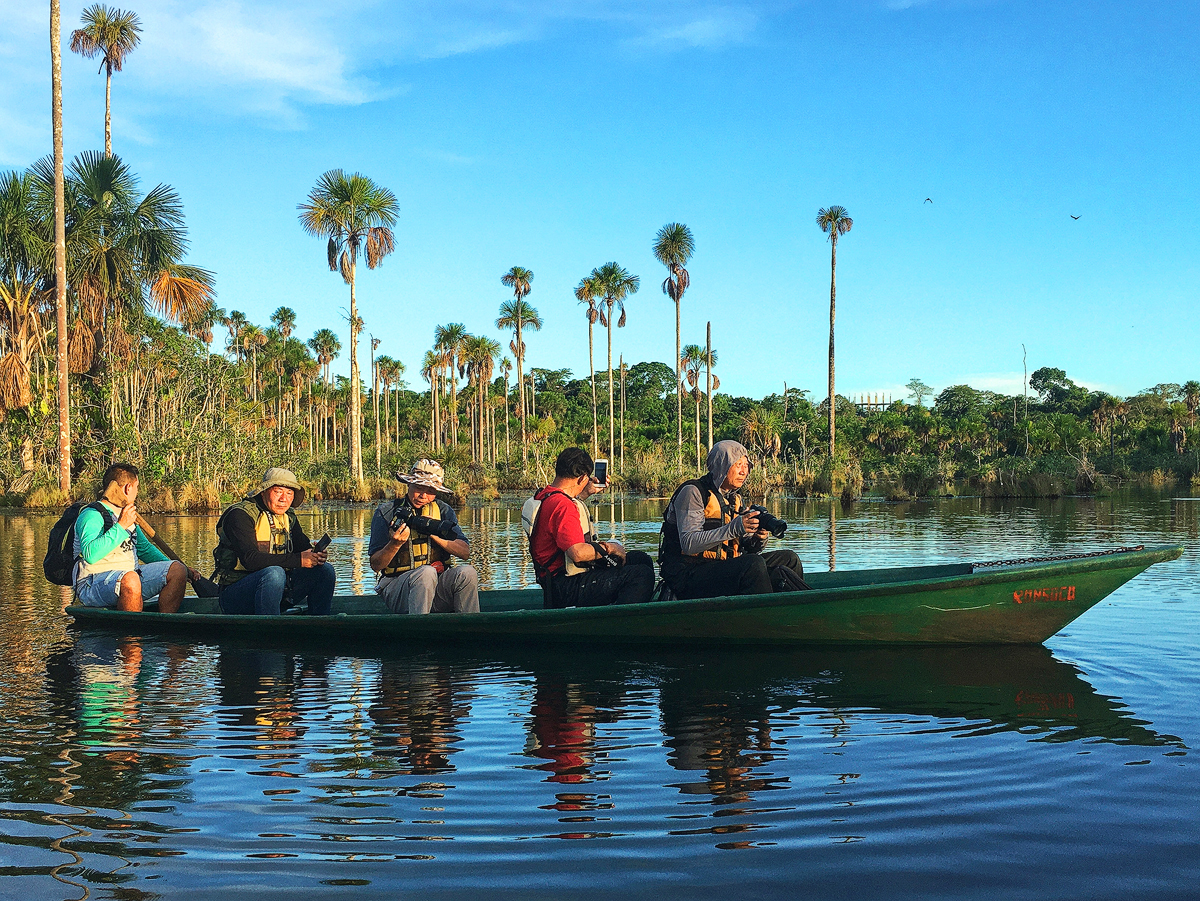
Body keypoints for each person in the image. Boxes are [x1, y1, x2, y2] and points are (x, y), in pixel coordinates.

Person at [659, 439, 804, 600]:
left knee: (789, 559)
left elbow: (745, 548)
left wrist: (758, 539)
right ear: (722, 466)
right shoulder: (693, 492)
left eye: (746, 465)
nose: (744, 471)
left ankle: (795, 612)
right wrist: (733, 529)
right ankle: (763, 620)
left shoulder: (735, 499)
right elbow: (689, 543)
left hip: (721, 568)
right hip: (688, 574)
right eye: (738, 464)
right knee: (753, 565)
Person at [527, 447, 655, 609]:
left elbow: (561, 511)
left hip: (552, 582)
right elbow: (578, 553)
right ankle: (620, 625)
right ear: (582, 478)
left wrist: (585, 492)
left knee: (640, 559)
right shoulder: (563, 506)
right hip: (565, 587)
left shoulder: (546, 495)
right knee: (641, 575)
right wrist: (611, 548)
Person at [73, 463, 196, 613]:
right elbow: (91, 555)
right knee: (131, 579)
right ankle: (131, 635)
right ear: (128, 488)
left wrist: (184, 569)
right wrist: (121, 526)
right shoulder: (91, 515)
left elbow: (144, 549)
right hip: (92, 584)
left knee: (177, 570)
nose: (137, 492)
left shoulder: (126, 514)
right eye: (137, 487)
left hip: (130, 578)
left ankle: (165, 627)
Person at [212, 467, 335, 616]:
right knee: (274, 573)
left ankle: (321, 625)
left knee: (325, 570)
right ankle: (270, 631)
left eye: (289, 493)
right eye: (278, 492)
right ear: (263, 492)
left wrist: (316, 556)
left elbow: (302, 548)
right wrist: (299, 560)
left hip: (280, 590)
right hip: (236, 596)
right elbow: (250, 560)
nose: (284, 499)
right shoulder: (240, 515)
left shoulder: (288, 517)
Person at [368, 459, 479, 614]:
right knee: (426, 573)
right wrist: (394, 544)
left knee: (467, 573)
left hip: (438, 588)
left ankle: (470, 631)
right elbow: (376, 565)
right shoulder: (386, 512)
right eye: (419, 488)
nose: (423, 496)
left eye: (431, 491)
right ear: (409, 484)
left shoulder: (443, 511)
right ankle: (420, 632)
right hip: (398, 589)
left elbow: (465, 552)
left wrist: (434, 533)